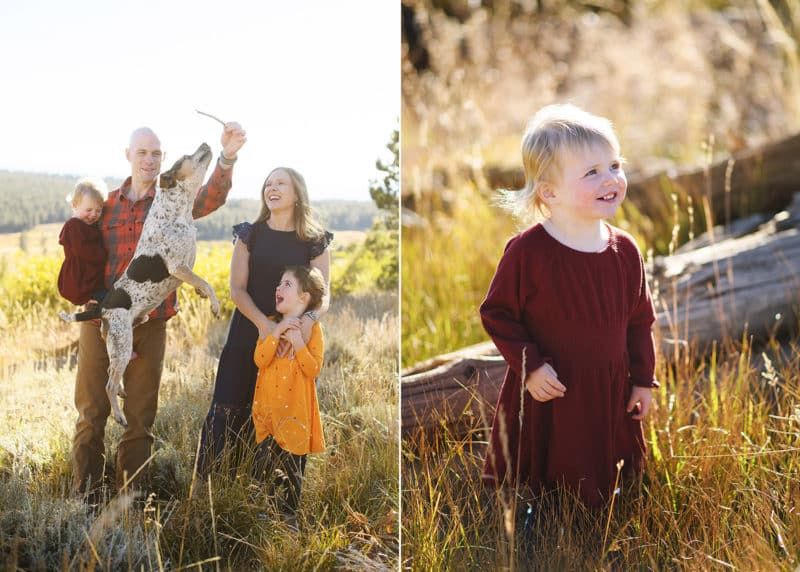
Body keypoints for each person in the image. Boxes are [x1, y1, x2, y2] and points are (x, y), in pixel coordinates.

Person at [480, 103, 659, 508]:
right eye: (591, 172)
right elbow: (497, 313)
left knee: (604, 474)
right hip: (553, 386)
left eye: (614, 165)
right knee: (551, 476)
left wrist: (642, 380)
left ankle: (602, 514)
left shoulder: (625, 250)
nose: (610, 179)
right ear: (549, 191)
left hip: (608, 386)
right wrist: (530, 366)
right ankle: (541, 518)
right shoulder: (529, 252)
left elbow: (639, 321)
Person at [72, 122, 247, 501]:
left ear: (164, 160)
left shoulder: (173, 198)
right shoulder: (106, 206)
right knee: (91, 412)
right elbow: (80, 252)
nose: (149, 160)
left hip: (151, 322)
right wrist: (85, 299)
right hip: (104, 313)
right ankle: (83, 499)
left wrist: (228, 155)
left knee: (139, 419)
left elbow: (212, 196)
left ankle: (131, 505)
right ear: (128, 155)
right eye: (142, 152)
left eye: (156, 153)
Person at [196, 167, 332, 480]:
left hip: (295, 338)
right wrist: (264, 325)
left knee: (286, 408)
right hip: (248, 330)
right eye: (268, 184)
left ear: (297, 192)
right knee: (231, 401)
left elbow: (323, 294)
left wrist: (309, 321)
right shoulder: (250, 235)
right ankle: (217, 487)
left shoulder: (314, 241)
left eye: (280, 183)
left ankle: (275, 494)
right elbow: (237, 290)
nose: (272, 188)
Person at [251, 265, 327, 527]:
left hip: (295, 417)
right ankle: (265, 514)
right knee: (265, 468)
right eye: (279, 283)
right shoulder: (271, 325)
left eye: (286, 284)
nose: (278, 288)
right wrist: (276, 333)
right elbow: (260, 360)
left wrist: (297, 342)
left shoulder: (313, 332)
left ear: (304, 297)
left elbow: (313, 369)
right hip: (269, 417)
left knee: (293, 472)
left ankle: (289, 518)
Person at [57, 178, 108, 308]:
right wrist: (106, 254)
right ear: (74, 205)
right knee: (105, 299)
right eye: (89, 210)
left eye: (98, 210)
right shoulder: (73, 225)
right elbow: (84, 251)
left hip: (90, 273)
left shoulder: (92, 224)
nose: (93, 214)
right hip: (80, 275)